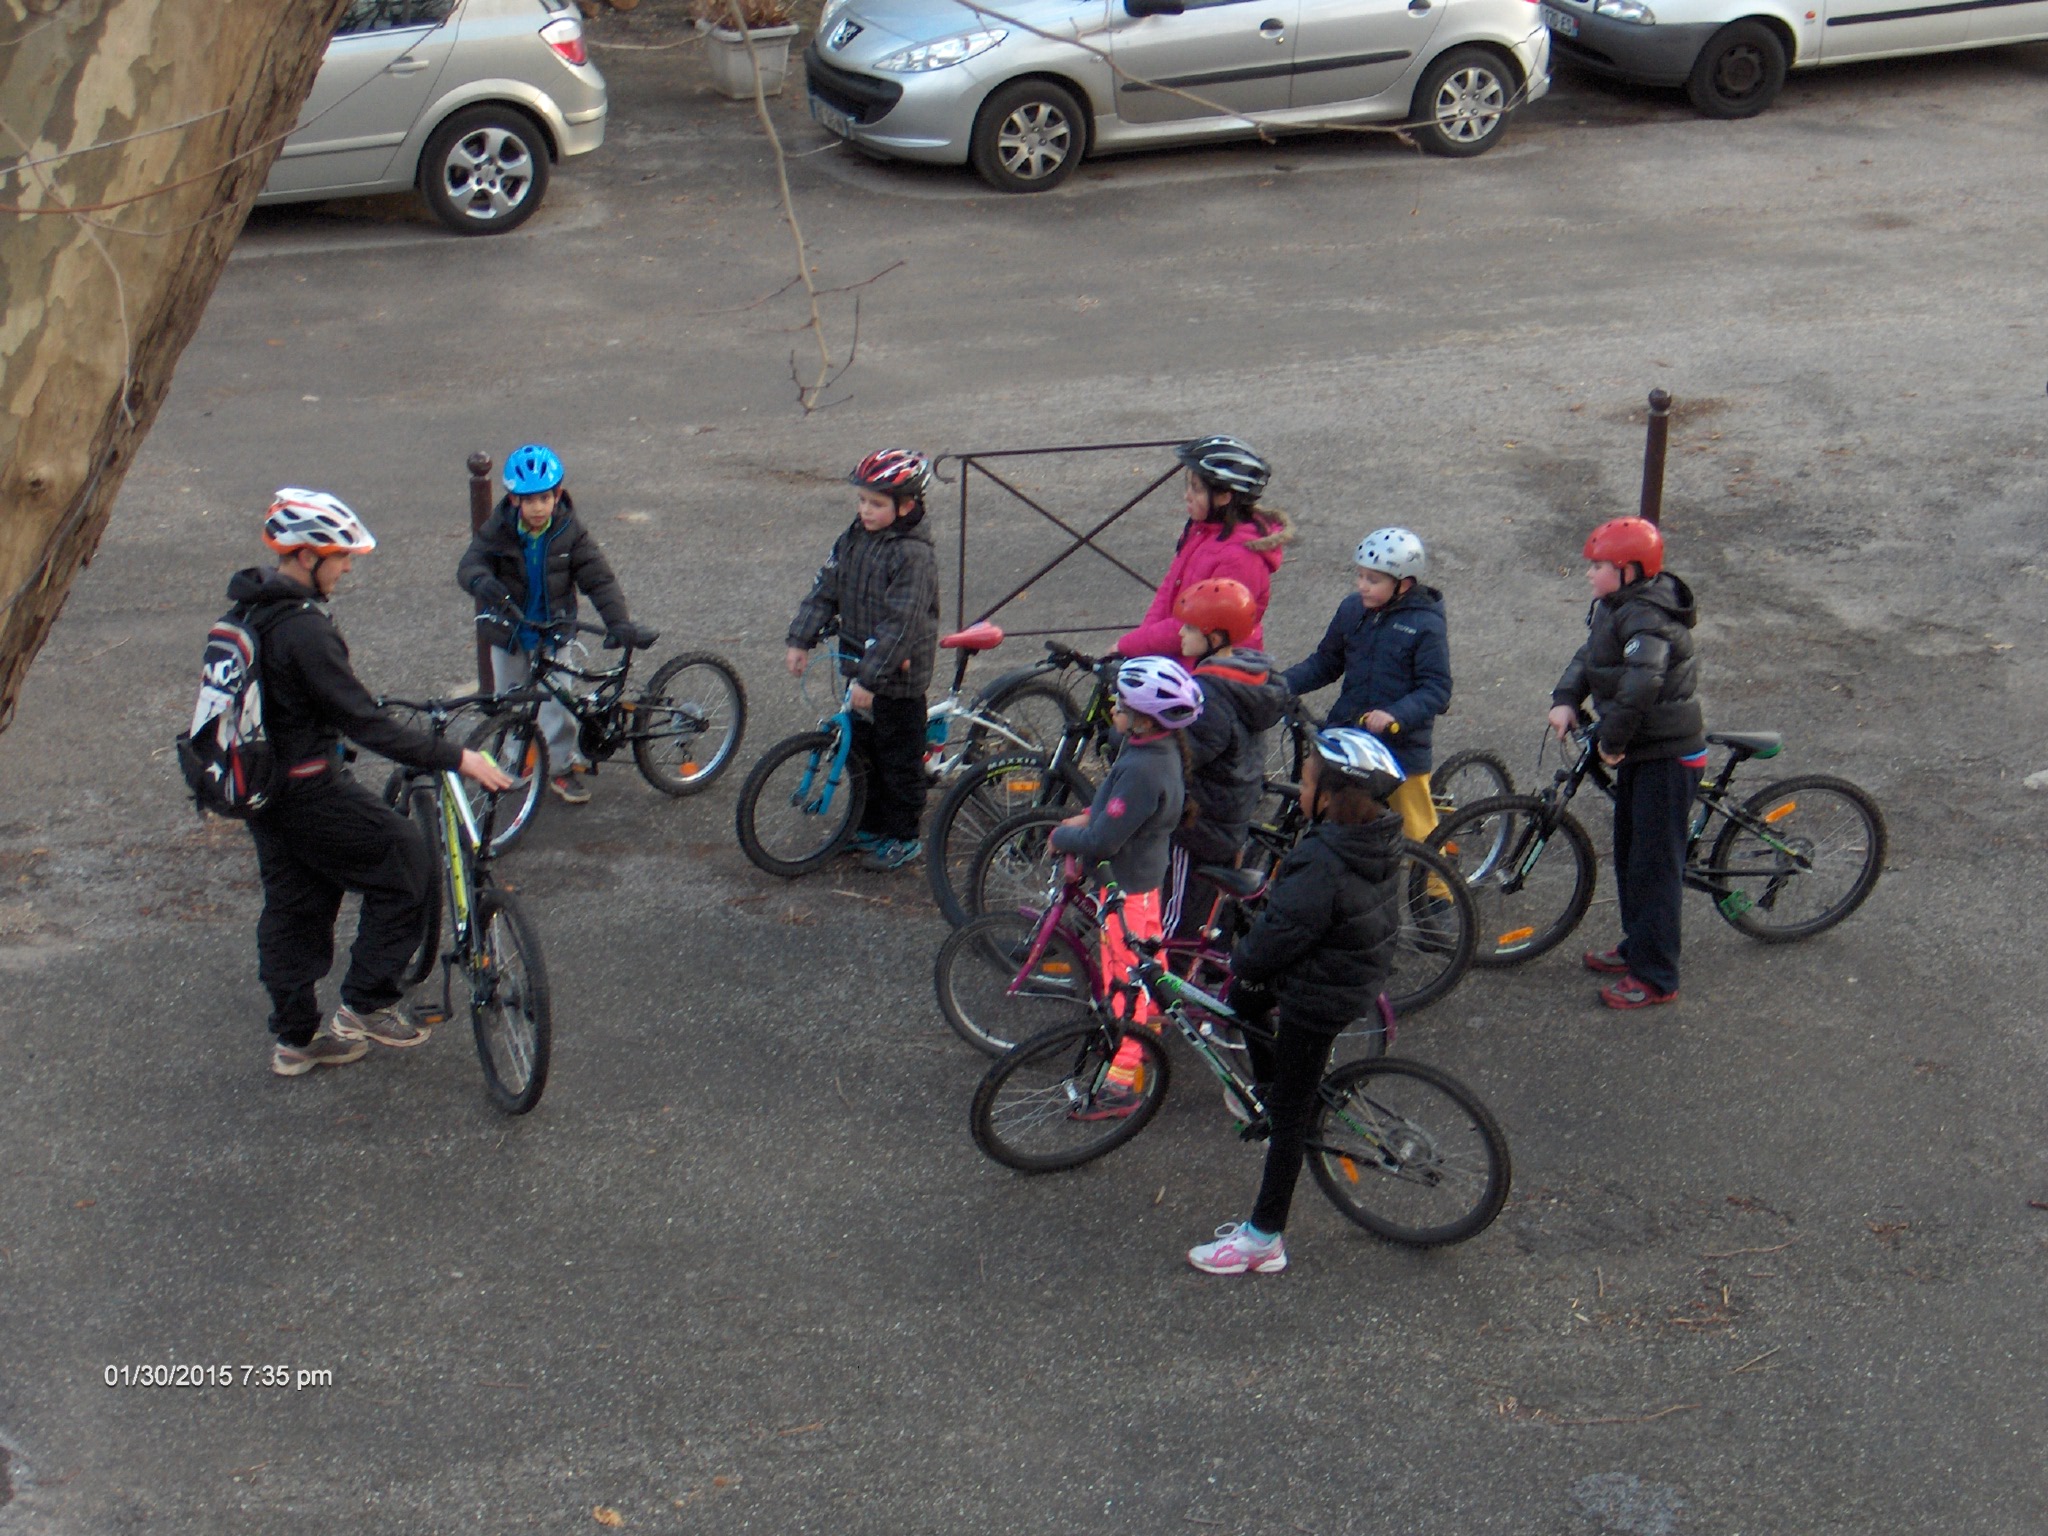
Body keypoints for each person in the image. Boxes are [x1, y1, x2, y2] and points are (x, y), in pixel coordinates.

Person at [235, 490, 512, 1078]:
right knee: (408, 860)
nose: (347, 567)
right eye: (339, 556)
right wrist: (454, 755)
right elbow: (365, 722)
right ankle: (366, 1002)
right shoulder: (306, 632)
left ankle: (295, 1039)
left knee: (294, 906)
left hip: (262, 791)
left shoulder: (249, 610)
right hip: (311, 789)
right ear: (307, 556)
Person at [1186, 728, 1405, 1276]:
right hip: (1353, 972)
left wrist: (1242, 959)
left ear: (1330, 795)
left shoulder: (1325, 859)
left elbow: (1279, 938)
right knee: (1245, 1005)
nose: (1298, 788)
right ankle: (1269, 1092)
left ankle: (1264, 1237)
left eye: (1306, 781)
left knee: (1291, 1120)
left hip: (1319, 993)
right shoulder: (1372, 836)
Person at [1546, 516, 1705, 1011]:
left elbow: (1642, 684)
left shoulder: (1648, 618)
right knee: (1632, 857)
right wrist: (1567, 695)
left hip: (1664, 752)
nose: (1590, 574)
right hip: (1643, 748)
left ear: (1631, 571)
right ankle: (1639, 944)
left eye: (1600, 566)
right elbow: (1591, 656)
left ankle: (1657, 976)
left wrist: (1611, 741)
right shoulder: (1613, 607)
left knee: (1655, 868)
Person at [1048, 656, 1205, 1115]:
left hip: (1128, 888)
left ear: (1141, 719)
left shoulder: (1142, 769)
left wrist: (1063, 836)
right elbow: (1114, 810)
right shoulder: (1157, 750)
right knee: (1145, 965)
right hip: (1144, 878)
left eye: (1120, 703)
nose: (1112, 707)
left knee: (1126, 982)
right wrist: (1089, 816)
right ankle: (1144, 1034)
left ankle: (1122, 1080)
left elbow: (1103, 840)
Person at [785, 450, 941, 872]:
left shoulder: (913, 556)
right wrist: (801, 638)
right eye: (862, 501)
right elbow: (825, 589)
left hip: (896, 675)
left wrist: (871, 680)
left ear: (906, 505)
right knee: (863, 752)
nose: (865, 511)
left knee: (899, 758)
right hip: (858, 663)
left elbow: (900, 626)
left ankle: (904, 835)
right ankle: (870, 825)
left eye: (876, 504)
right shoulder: (854, 537)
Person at [457, 443, 635, 806]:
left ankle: (558, 766)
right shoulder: (500, 529)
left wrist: (617, 622)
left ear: (557, 495)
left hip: (554, 631)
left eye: (544, 498)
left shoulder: (570, 531)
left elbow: (598, 579)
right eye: (528, 500)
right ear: (513, 501)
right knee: (511, 697)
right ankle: (517, 759)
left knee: (559, 702)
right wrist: (481, 581)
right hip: (509, 631)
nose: (537, 508)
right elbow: (470, 563)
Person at [1279, 527, 1451, 849]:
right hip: (1349, 733)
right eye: (1359, 576)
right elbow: (1325, 663)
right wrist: (1281, 684)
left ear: (1404, 584)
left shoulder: (1426, 625)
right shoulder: (1352, 610)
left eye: (1373, 580)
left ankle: (1437, 890)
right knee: (1322, 805)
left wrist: (1394, 714)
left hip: (1400, 746)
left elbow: (1437, 689)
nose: (1361, 585)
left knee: (1417, 830)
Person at [1165, 578, 1290, 945]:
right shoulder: (1249, 676)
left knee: (1178, 918)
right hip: (1230, 811)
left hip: (1200, 822)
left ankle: (1170, 986)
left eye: (1190, 628)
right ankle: (1210, 966)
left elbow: (1187, 753)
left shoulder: (1209, 693)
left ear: (1215, 637)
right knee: (1208, 908)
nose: (1181, 635)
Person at [1117, 435, 1292, 659]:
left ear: (1223, 497)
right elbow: (1169, 588)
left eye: (1197, 489)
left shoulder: (1240, 559)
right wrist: (1141, 642)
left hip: (1212, 673)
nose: (1186, 496)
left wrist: (1127, 646)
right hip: (1181, 655)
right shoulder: (1202, 530)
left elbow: (1194, 625)